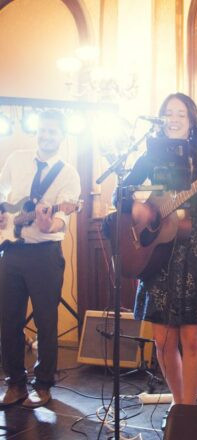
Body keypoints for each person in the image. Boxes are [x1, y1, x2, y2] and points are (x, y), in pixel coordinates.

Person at [115, 93, 197, 425]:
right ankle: (177, 404)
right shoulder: (150, 155)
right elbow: (122, 195)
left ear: (192, 121)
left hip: (196, 252)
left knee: (192, 338)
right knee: (162, 340)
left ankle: (189, 414)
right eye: (168, 113)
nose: (173, 118)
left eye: (181, 114)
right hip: (156, 256)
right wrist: (143, 209)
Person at [0, 109, 81, 408]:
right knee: (8, 321)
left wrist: (52, 223)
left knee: (47, 323)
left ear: (62, 135)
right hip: (11, 252)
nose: (47, 136)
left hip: (45, 255)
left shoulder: (69, 174)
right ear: (37, 133)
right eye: (43, 131)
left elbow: (62, 217)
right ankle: (15, 383)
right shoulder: (16, 159)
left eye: (53, 131)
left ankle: (44, 385)